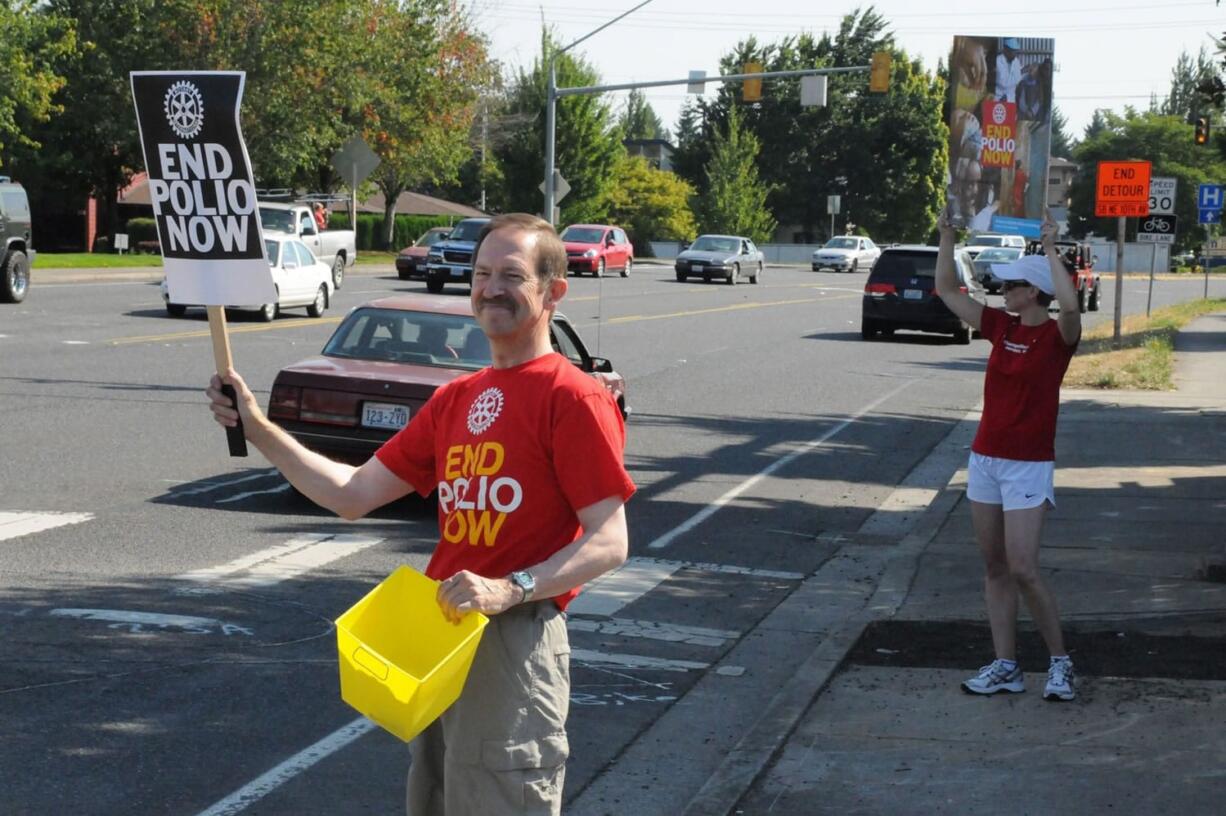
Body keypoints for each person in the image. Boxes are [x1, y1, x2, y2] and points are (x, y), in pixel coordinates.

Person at [206, 212, 636, 814]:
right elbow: (352, 494)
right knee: (432, 800)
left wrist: (511, 589)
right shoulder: (454, 399)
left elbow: (610, 540)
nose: (491, 288)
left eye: (512, 275)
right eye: (482, 273)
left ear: (553, 291)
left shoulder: (573, 397)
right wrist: (257, 427)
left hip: (513, 640)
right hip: (442, 638)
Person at [933, 206, 1081, 703]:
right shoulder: (1001, 326)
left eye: (1012, 286)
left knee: (1023, 567)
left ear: (1033, 291)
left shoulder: (1057, 337)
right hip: (986, 460)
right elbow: (948, 292)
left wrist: (1052, 249)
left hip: (1028, 464)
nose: (1002, 292)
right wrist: (947, 238)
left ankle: (1060, 665)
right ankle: (1006, 666)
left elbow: (1073, 306)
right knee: (995, 567)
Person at [994, 38, 1023, 103]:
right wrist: (1021, 72)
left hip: (1010, 98)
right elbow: (1003, 83)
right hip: (998, 98)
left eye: (1016, 51)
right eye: (1013, 51)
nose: (1015, 54)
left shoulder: (1016, 61)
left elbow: (1018, 80)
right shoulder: (997, 61)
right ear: (1006, 50)